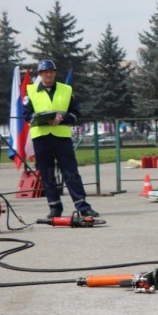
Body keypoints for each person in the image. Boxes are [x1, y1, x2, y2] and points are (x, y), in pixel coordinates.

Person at [23, 59, 99, 218]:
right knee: (47, 173)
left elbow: (76, 114)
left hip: (61, 137)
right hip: (41, 137)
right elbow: (26, 115)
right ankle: (54, 207)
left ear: (55, 73)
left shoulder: (67, 90)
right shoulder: (30, 91)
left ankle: (82, 206)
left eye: (51, 71)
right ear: (40, 74)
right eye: (45, 72)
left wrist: (62, 119)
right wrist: (40, 118)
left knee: (70, 172)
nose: (48, 74)